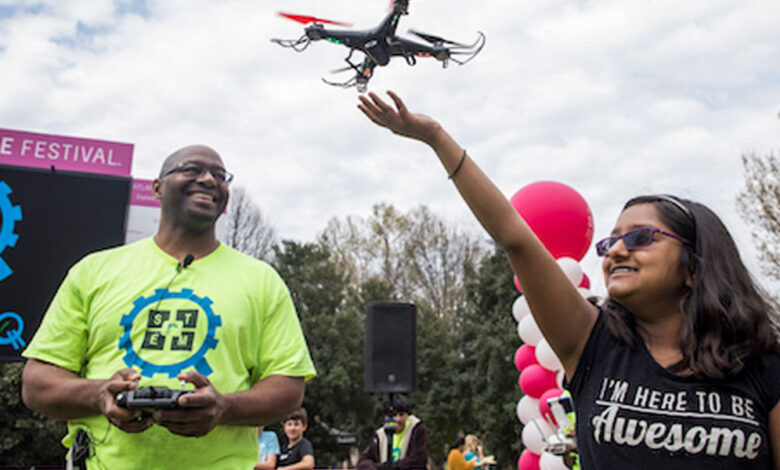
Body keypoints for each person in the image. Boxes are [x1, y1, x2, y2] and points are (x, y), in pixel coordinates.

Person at [357, 92, 780, 469]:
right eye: (609, 242)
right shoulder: (592, 343)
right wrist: (435, 137)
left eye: (639, 238)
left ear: (694, 266)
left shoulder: (764, 366)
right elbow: (516, 238)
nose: (615, 250)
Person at [20, 145, 317, 469]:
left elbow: (288, 387)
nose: (207, 179)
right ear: (157, 188)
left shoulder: (261, 280)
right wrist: (100, 394)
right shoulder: (93, 271)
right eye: (191, 169)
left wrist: (223, 408)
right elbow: (37, 383)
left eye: (220, 176)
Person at [357, 395, 428, 470]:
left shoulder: (417, 428)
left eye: (401, 414)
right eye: (394, 415)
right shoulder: (380, 435)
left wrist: (385, 467)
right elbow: (363, 462)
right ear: (386, 417)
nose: (398, 419)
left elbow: (417, 461)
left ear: (407, 415)